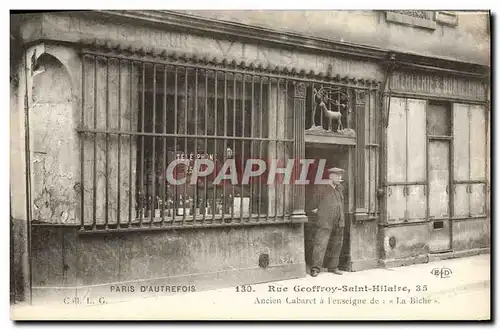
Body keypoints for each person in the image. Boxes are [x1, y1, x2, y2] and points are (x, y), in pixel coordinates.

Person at [310, 167, 346, 277]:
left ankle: (333, 267)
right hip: (325, 221)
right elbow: (313, 206)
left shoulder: (340, 188)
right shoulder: (321, 188)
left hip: (339, 221)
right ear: (331, 176)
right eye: (337, 176)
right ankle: (315, 268)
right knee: (320, 244)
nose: (340, 178)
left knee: (337, 244)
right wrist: (322, 214)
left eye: (340, 176)